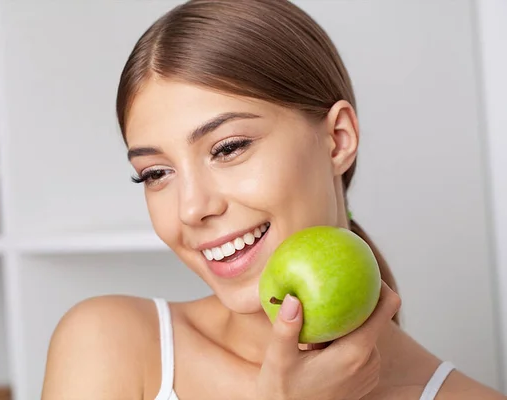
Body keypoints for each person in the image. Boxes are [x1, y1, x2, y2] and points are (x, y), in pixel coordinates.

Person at [41, 1, 506, 399]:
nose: (191, 207)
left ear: (338, 140)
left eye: (227, 148)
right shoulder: (110, 344)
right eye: (156, 173)